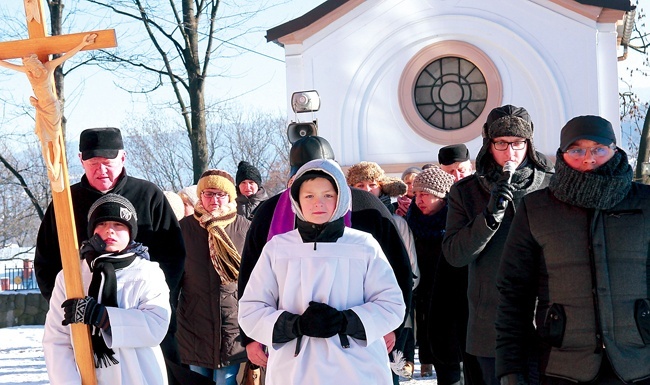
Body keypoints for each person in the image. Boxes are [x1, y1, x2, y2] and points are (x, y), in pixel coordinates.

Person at [496, 115, 650, 385]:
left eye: (598, 149)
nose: (588, 158)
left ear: (615, 150)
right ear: (562, 154)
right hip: (563, 364)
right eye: (576, 150)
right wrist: (510, 368)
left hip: (638, 362)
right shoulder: (537, 208)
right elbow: (513, 292)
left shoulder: (645, 202)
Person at [237, 135, 412, 369]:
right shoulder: (271, 214)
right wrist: (252, 336)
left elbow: (398, 270)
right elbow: (251, 278)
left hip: (359, 350)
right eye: (309, 193)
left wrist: (391, 327)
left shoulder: (368, 208)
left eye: (328, 193)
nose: (318, 203)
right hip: (293, 352)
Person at [34, 127, 186, 384]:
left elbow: (173, 255)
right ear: (81, 160)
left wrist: (148, 296)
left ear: (123, 158)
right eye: (93, 163)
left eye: (107, 163)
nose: (100, 170)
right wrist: (70, 303)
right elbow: (47, 260)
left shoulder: (149, 196)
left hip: (141, 313)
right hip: (81, 319)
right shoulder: (65, 202)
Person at [442, 105, 554, 385]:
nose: (510, 153)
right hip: (491, 329)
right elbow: (456, 255)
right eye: (501, 144)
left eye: (517, 143)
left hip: (550, 324)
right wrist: (489, 216)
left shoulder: (553, 186)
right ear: (488, 145)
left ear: (529, 144)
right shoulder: (466, 192)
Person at [43, 194, 170, 385]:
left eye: (118, 225)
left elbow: (156, 324)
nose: (109, 231)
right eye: (101, 224)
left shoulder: (147, 272)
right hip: (87, 375)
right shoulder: (71, 276)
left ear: (130, 231)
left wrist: (103, 317)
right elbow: (56, 339)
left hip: (138, 374)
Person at [346, 161, 420, 379]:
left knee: (389, 373)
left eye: (372, 184)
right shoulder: (345, 222)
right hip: (356, 311)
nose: (368, 190)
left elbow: (411, 272)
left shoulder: (397, 222)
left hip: (392, 310)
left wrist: (395, 312)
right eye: (360, 185)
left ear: (382, 186)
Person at [177, 169, 250, 385]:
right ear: (200, 196)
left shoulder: (244, 228)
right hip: (194, 323)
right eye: (208, 193)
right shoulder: (185, 228)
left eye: (220, 194)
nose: (214, 199)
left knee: (225, 381)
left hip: (231, 323)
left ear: (230, 197)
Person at [435, 144, 484, 385]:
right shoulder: (428, 206)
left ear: (471, 168)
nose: (457, 176)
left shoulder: (478, 198)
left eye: (462, 170)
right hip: (445, 294)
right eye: (450, 171)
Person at [405, 166, 457, 380]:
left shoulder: (456, 223)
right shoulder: (411, 223)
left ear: (442, 196)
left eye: (425, 194)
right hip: (425, 302)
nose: (419, 200)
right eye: (416, 194)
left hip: (452, 305)